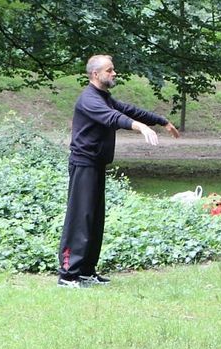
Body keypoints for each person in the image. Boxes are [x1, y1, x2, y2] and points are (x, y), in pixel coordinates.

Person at [58, 55, 180, 288]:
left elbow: (130, 110)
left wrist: (161, 121)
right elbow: (114, 118)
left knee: (94, 219)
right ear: (95, 74)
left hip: (96, 165)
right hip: (83, 164)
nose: (114, 73)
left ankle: (85, 271)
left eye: (113, 70)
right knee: (80, 219)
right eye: (109, 70)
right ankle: (67, 275)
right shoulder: (89, 99)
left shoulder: (105, 98)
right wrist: (139, 127)